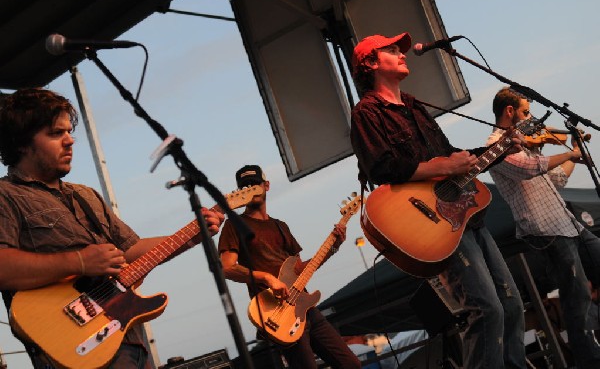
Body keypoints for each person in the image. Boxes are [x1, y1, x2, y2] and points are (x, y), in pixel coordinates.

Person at [0, 88, 224, 369]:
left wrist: (192, 235)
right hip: (71, 347)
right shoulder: (6, 195)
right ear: (22, 142)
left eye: (70, 132)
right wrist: (80, 261)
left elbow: (130, 250)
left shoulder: (86, 194)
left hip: (125, 339)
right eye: (56, 134)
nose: (70, 141)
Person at [350, 33, 526, 368]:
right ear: (371, 62)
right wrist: (443, 165)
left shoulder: (415, 105)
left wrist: (499, 150)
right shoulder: (367, 113)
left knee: (512, 305)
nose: (402, 54)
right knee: (487, 310)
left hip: (464, 214)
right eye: (391, 50)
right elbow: (381, 168)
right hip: (434, 222)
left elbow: (451, 158)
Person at [487, 86, 600, 368]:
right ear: (509, 111)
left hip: (568, 223)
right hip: (546, 230)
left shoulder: (523, 142)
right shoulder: (495, 146)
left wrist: (574, 151)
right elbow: (530, 169)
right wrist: (568, 155)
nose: (531, 117)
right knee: (577, 297)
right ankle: (590, 361)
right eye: (526, 112)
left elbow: (556, 180)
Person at [218, 164, 361, 369]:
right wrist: (267, 278)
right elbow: (227, 268)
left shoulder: (280, 226)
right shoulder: (234, 225)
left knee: (351, 364)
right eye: (244, 186)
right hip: (277, 313)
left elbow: (299, 269)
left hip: (305, 306)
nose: (250, 189)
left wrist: (333, 247)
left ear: (266, 185)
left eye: (254, 184)